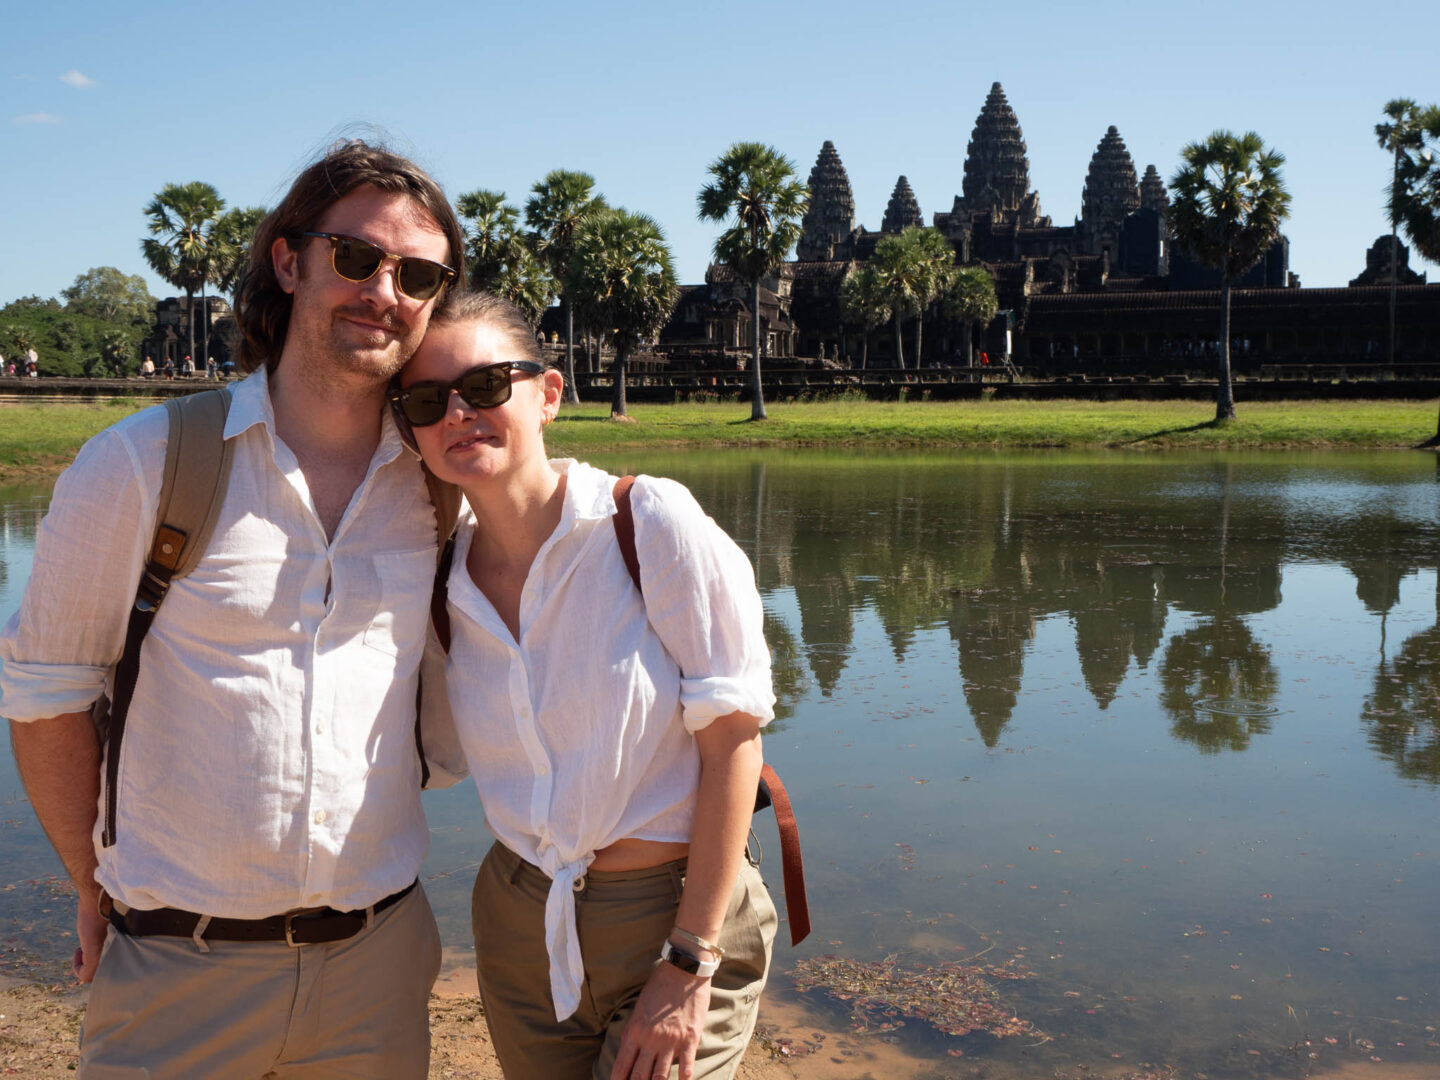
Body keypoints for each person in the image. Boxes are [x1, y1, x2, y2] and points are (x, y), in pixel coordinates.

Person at [0, 139, 467, 1079]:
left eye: (417, 274)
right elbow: (46, 695)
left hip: (378, 963)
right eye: (356, 257)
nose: (384, 289)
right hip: (179, 969)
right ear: (289, 261)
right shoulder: (143, 463)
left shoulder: (439, 483)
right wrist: (91, 887)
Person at [391, 291, 777, 1080]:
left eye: (488, 386)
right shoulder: (437, 577)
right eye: (429, 401)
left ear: (549, 394)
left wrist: (689, 962)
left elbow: (734, 742)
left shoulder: (646, 524)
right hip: (517, 917)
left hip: (674, 909)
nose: (459, 412)